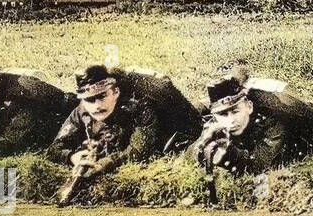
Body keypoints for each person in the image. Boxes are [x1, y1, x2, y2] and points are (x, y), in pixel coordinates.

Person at [49, 65, 202, 204]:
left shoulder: (139, 107)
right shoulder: (81, 111)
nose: (96, 106)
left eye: (102, 96)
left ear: (115, 92)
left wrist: (104, 164)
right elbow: (55, 147)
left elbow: (139, 151)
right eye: (89, 100)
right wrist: (71, 157)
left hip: (172, 128)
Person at [194, 74, 313, 174]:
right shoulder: (214, 121)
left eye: (235, 112)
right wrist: (201, 144)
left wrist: (230, 154)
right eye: (222, 114)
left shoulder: (273, 119)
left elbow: (260, 165)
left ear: (249, 106)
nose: (230, 120)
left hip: (304, 123)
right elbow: (187, 154)